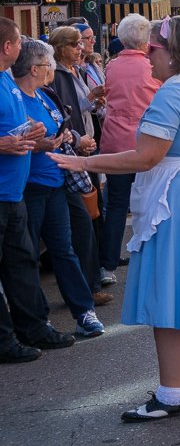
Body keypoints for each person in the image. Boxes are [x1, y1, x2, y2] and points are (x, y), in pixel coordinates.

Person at [50, 15, 180, 421]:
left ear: (172, 54)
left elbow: (146, 157)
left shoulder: (172, 94)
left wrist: (81, 162)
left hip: (179, 196)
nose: (148, 58)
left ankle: (171, 394)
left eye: (153, 51)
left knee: (170, 297)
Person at [14, 39, 104, 338]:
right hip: (29, 185)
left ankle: (83, 311)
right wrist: (37, 143)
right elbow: (16, 138)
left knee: (63, 249)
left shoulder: (44, 95)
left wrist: (69, 137)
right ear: (35, 68)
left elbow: (61, 124)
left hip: (56, 182)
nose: (52, 68)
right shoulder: (17, 98)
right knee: (27, 255)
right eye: (49, 64)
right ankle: (37, 319)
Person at [0, 17, 76, 363]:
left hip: (14, 191)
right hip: (5, 191)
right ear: (7, 47)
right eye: (18, 41)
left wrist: (31, 137)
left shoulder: (5, 80)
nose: (20, 48)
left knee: (23, 262)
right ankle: (4, 341)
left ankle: (33, 328)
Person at [99, 14, 161, 287]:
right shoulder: (151, 65)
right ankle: (152, 257)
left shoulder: (112, 66)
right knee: (150, 202)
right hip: (146, 141)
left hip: (115, 142)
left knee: (116, 205)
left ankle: (108, 264)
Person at [48, 26, 108, 305]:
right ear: (61, 48)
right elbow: (64, 114)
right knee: (82, 221)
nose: (80, 48)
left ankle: (92, 280)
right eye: (74, 45)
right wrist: (78, 141)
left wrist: (93, 99)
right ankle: (89, 284)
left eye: (79, 44)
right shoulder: (59, 75)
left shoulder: (77, 71)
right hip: (73, 151)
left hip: (85, 145)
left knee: (92, 214)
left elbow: (78, 107)